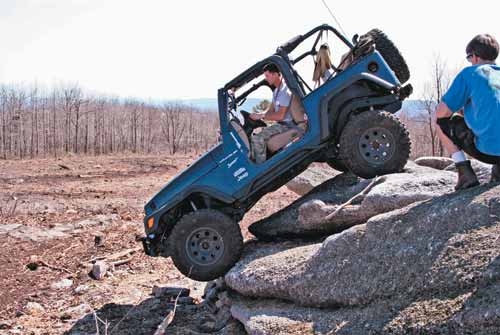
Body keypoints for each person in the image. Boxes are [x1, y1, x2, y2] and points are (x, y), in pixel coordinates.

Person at [435, 34, 500, 190]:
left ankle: (465, 173)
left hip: (488, 152)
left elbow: (441, 113)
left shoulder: (471, 73)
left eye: (469, 58)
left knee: (438, 121)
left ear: (475, 57)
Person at [250, 63, 295, 164]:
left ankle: (260, 167)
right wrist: (258, 114)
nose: (266, 79)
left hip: (287, 126)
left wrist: (261, 116)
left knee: (257, 138)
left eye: (267, 76)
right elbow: (270, 111)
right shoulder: (276, 91)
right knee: (254, 135)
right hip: (281, 125)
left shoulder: (284, 91)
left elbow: (280, 115)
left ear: (275, 74)